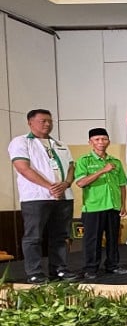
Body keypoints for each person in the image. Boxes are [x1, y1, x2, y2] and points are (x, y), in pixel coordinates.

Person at [8, 109, 77, 283]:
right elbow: (23, 167)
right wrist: (50, 186)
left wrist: (66, 183)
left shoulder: (60, 144)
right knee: (34, 236)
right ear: (30, 122)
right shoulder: (21, 141)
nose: (47, 124)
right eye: (43, 121)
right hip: (36, 197)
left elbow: (71, 167)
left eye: (50, 121)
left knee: (61, 235)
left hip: (63, 197)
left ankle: (59, 269)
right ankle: (35, 272)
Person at [74, 127, 127, 278]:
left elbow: (122, 185)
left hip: (113, 206)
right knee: (93, 240)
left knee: (113, 239)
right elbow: (81, 183)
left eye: (104, 139)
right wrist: (102, 171)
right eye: (97, 139)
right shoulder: (84, 161)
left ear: (108, 141)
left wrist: (123, 205)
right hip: (94, 207)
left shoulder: (115, 162)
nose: (101, 142)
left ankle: (113, 265)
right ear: (90, 142)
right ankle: (91, 269)